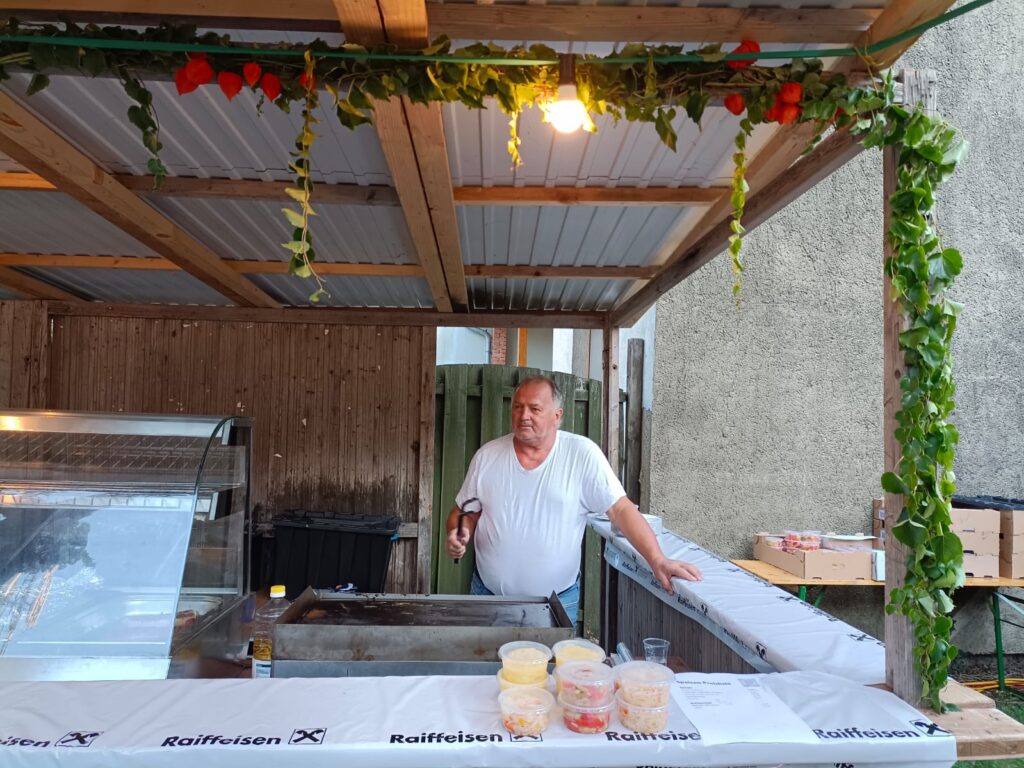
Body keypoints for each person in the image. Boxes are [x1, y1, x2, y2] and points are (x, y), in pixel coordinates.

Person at [446, 375, 702, 626]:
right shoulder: (487, 456)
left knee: (556, 658)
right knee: (483, 657)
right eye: (518, 407)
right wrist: (460, 532)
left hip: (556, 604)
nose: (524, 415)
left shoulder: (581, 454)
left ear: (557, 416)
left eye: (535, 408)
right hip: (489, 598)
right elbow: (466, 511)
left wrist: (657, 560)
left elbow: (620, 509)